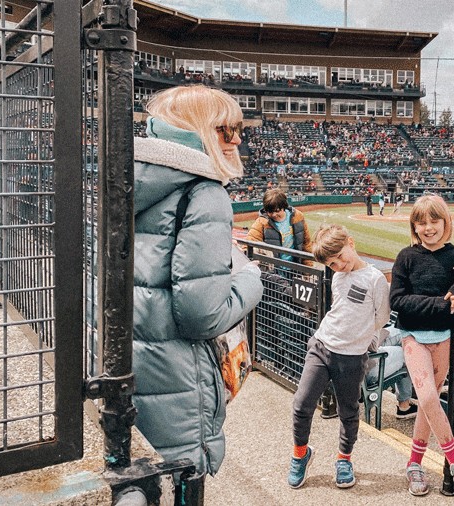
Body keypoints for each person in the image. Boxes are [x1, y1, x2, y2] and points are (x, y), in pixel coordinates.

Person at [131, 85, 264, 478]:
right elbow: (201, 316)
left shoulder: (130, 178)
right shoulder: (204, 192)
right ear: (199, 130)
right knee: (181, 480)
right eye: (227, 129)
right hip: (177, 379)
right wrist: (251, 280)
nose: (237, 138)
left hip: (134, 363)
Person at [390, 194, 454, 498]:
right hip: (414, 336)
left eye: (434, 221)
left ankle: (414, 463)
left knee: (429, 405)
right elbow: (398, 301)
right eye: (421, 222)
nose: (428, 227)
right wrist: (442, 305)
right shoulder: (406, 256)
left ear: (445, 222)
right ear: (414, 225)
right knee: (427, 396)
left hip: (444, 338)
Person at [288, 224, 390, 489]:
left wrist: (369, 342)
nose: (338, 265)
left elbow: (381, 318)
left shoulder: (375, 279)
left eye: (340, 257)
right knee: (302, 404)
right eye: (331, 264)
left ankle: (344, 459)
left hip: (352, 357)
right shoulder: (337, 277)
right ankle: (301, 454)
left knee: (348, 411)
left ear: (351, 243)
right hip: (322, 345)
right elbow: (339, 309)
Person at [247, 188, 312, 265]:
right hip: (274, 271)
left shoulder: (297, 217)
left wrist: (307, 267)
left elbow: (306, 244)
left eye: (277, 211)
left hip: (295, 267)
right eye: (270, 211)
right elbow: (249, 244)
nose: (274, 215)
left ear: (283, 207)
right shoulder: (261, 222)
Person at [364, 325, 417, 419]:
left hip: (358, 353)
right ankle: (404, 405)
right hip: (366, 366)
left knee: (404, 331)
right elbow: (371, 345)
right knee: (408, 351)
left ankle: (405, 403)